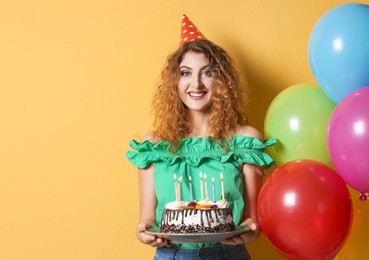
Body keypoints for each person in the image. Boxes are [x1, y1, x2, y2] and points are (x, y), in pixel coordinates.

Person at [126, 15, 276, 260]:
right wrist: (144, 233)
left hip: (229, 254)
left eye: (207, 72)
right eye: (186, 73)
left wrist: (249, 231)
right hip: (171, 254)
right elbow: (146, 220)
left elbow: (251, 219)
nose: (196, 83)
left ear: (221, 81)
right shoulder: (153, 146)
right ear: (175, 82)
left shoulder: (245, 141)